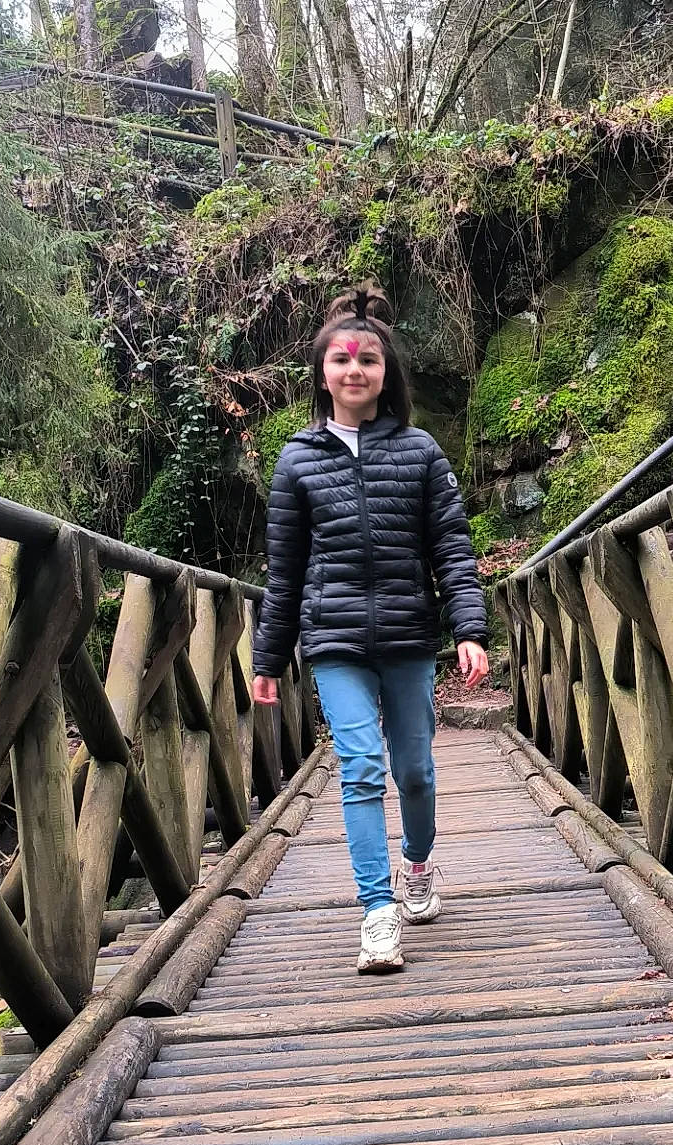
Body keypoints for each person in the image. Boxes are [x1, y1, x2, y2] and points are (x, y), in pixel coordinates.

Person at [251, 286, 490, 975]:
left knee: (414, 772)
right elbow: (284, 571)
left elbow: (451, 548)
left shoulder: (420, 453)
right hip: (334, 640)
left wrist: (469, 628)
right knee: (358, 768)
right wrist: (268, 657)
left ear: (387, 373)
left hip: (409, 634)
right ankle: (377, 911)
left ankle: (418, 864)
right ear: (322, 372)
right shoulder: (297, 460)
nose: (354, 369)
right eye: (341, 359)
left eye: (368, 359)